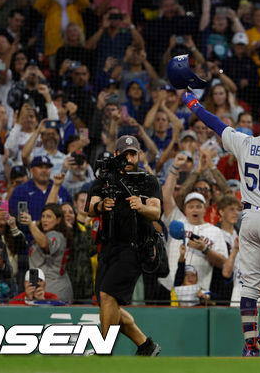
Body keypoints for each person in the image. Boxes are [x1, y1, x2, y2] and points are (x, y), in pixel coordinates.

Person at [179, 80, 260, 357]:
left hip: (247, 218)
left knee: (249, 285)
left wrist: (192, 102)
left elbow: (213, 122)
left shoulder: (244, 141)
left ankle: (250, 346)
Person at [87, 135, 162, 356]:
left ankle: (104, 348)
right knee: (107, 303)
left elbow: (156, 211)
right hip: (108, 247)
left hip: (135, 247)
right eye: (125, 153)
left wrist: (141, 206)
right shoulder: (105, 180)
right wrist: (101, 205)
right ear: (117, 155)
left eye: (133, 153)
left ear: (139, 155)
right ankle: (146, 346)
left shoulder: (147, 180)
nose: (130, 158)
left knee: (108, 296)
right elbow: (89, 207)